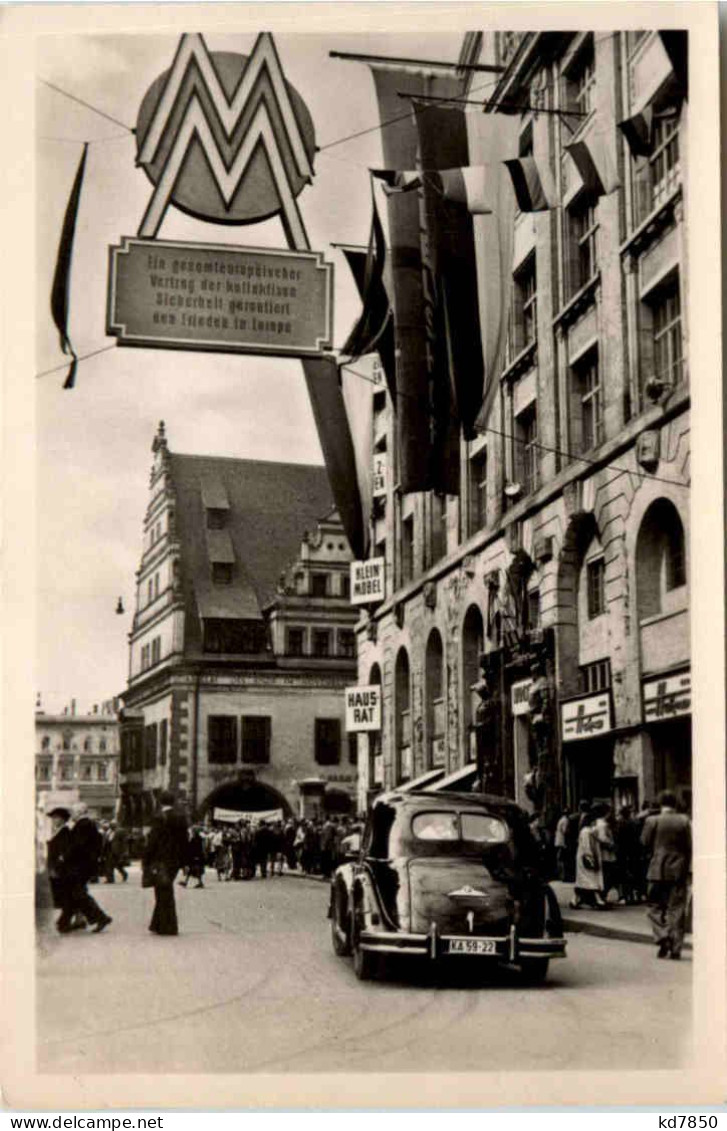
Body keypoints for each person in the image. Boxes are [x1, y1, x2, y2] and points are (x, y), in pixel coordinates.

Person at [641, 789, 692, 959]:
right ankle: (676, 947)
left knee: (653, 907)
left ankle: (662, 937)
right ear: (675, 804)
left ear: (660, 803)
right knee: (676, 909)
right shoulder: (684, 821)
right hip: (678, 870)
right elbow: (690, 845)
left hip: (656, 870)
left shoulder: (652, 820)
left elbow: (644, 842)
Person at [57, 803, 112, 933]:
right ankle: (64, 923)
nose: (72, 815)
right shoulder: (86, 825)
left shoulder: (83, 825)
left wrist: (64, 856)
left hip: (79, 866)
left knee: (78, 894)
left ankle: (101, 918)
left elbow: (77, 846)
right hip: (83, 866)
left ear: (81, 812)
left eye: (74, 812)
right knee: (74, 894)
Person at [143, 790, 189, 936]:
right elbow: (184, 842)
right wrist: (184, 862)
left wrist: (146, 859)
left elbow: (153, 841)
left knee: (162, 892)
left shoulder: (159, 818)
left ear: (160, 802)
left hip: (160, 860)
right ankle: (157, 924)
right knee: (165, 889)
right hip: (174, 861)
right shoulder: (180, 818)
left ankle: (168, 926)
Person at [571, 808, 606, 910]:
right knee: (591, 880)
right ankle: (598, 900)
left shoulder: (586, 831)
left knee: (583, 882)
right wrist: (590, 857)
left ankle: (575, 900)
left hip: (583, 858)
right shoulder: (586, 832)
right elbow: (587, 846)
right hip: (586, 858)